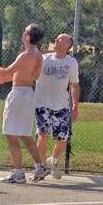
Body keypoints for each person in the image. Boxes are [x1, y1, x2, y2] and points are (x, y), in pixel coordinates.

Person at [0, 24, 45, 184]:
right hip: (29, 94)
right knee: (24, 134)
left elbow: (4, 71)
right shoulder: (38, 55)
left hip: (18, 95)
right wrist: (9, 78)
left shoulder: (24, 55)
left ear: (28, 37)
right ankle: (40, 167)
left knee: (10, 134)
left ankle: (18, 173)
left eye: (25, 32)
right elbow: (30, 75)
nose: (23, 33)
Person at [34, 33, 80, 180]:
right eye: (56, 39)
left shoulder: (71, 63)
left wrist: (75, 106)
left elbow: (74, 85)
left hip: (61, 106)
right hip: (42, 104)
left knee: (62, 138)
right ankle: (41, 167)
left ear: (68, 45)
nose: (56, 40)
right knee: (42, 134)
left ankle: (53, 161)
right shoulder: (43, 59)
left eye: (61, 39)